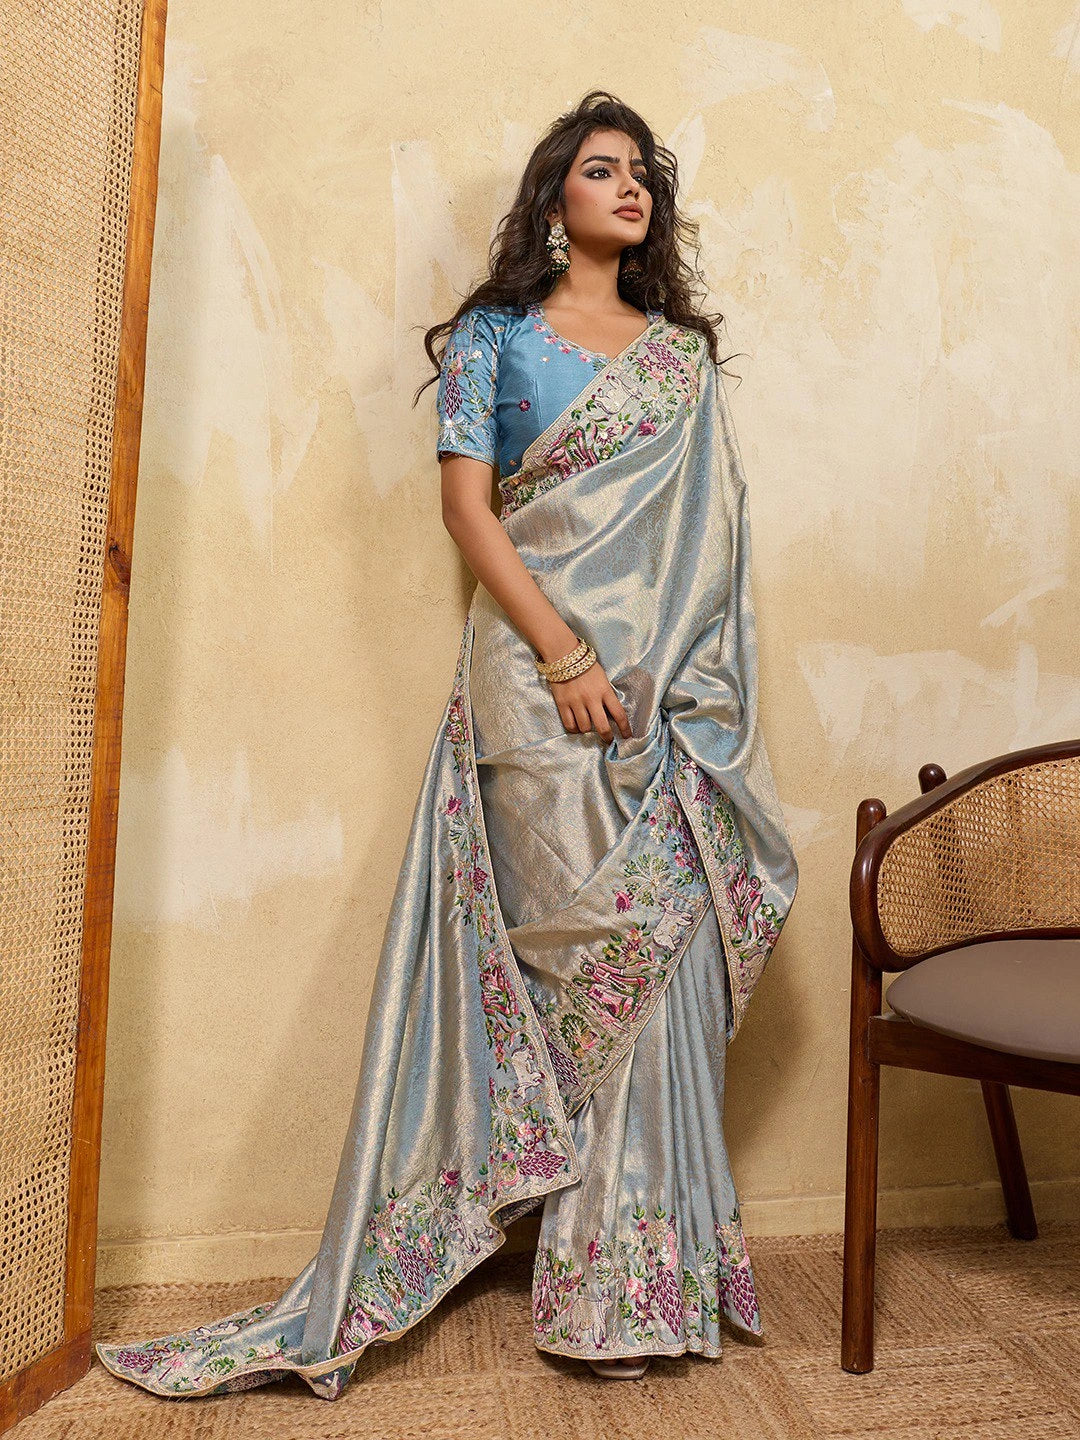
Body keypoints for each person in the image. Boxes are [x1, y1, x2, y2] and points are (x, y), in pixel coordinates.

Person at [94, 88, 799, 1400]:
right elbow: (468, 514)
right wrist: (567, 655)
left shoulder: (681, 360)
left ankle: (636, 1281)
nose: (630, 187)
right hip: (535, 695)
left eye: (643, 172)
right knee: (572, 970)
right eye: (603, 170)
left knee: (659, 969)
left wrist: (664, 690)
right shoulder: (495, 338)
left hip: (665, 708)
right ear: (554, 202)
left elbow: (715, 549)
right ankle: (573, 1279)